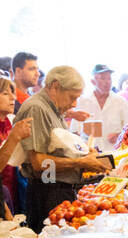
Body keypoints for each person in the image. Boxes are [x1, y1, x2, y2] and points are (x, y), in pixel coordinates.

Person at [14, 66, 110, 226]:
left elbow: (58, 149)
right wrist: (81, 162)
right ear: (55, 86)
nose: (74, 104)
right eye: (71, 97)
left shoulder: (53, 107)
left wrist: (84, 154)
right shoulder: (37, 108)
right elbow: (40, 164)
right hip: (48, 190)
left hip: (56, 188)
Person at [74, 65, 128, 152]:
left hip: (114, 154)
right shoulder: (82, 101)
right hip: (89, 154)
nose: (107, 82)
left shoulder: (121, 102)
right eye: (103, 78)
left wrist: (119, 135)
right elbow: (75, 132)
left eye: (109, 78)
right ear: (93, 81)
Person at [0, 77, 34, 218]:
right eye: (5, 93)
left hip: (16, 189)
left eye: (13, 93)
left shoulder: (12, 120)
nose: (13, 98)